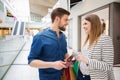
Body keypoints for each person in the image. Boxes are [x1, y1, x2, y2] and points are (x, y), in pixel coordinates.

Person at [28, 8, 70, 80]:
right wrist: (53, 64)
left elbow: (65, 53)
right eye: (65, 20)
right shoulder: (40, 37)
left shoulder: (63, 36)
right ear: (57, 19)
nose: (67, 22)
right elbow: (31, 62)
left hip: (63, 76)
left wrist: (68, 59)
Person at [75, 14, 115, 80]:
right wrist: (76, 56)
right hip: (81, 75)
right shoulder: (87, 39)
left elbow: (108, 65)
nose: (83, 26)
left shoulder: (105, 39)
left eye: (85, 24)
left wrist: (87, 61)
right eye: (83, 24)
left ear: (93, 24)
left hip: (94, 77)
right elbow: (85, 56)